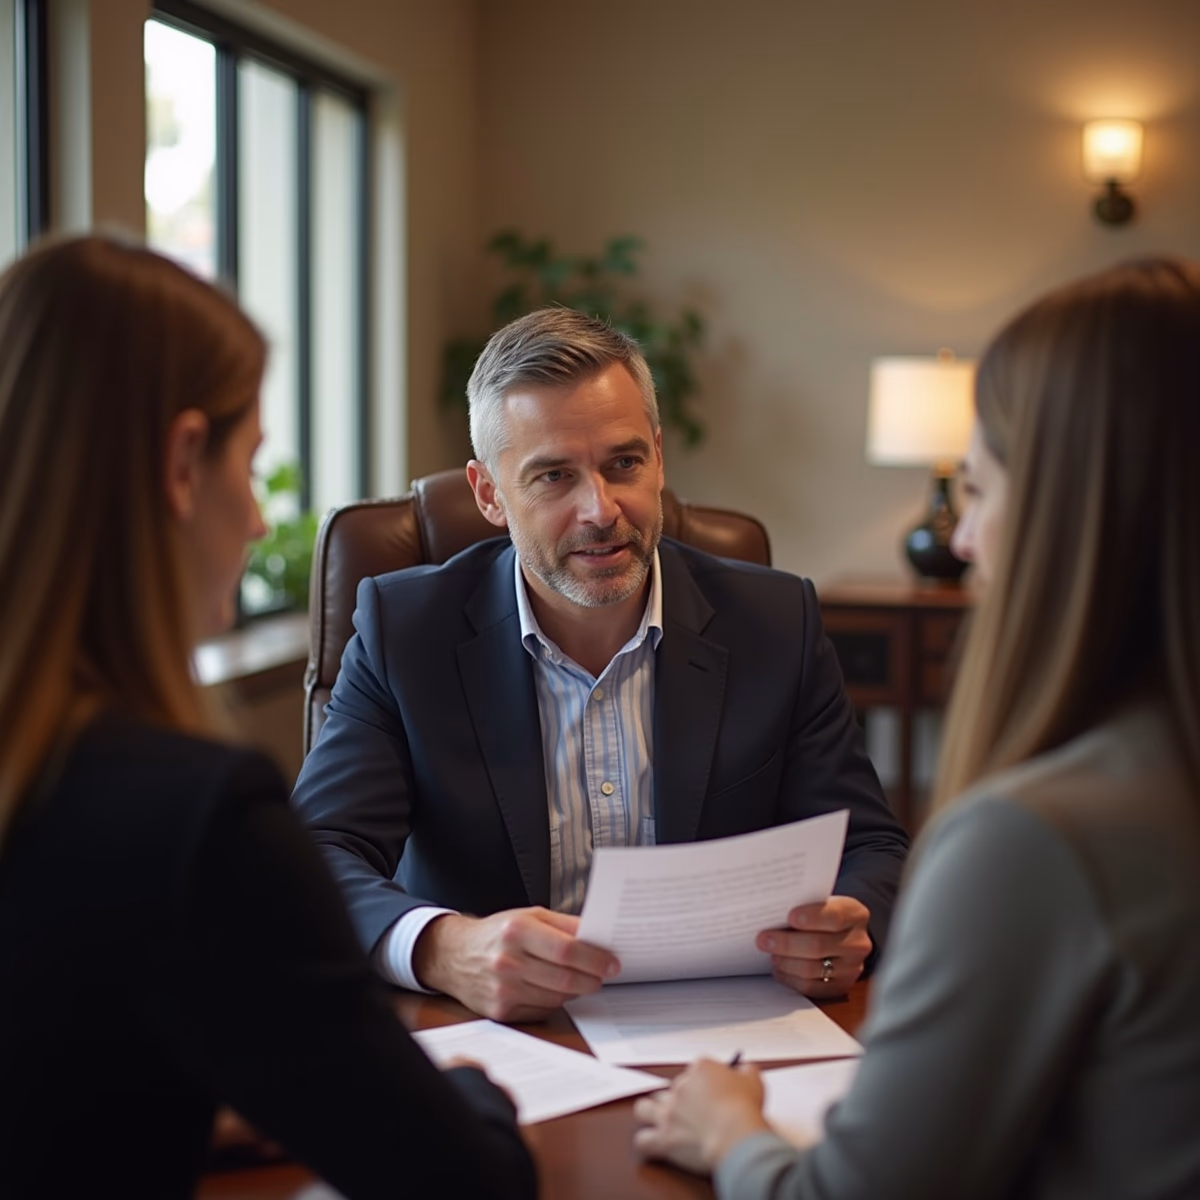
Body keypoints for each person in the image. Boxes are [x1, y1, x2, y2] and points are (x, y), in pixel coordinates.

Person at [631, 257, 1200, 1198]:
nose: (964, 538)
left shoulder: (1033, 839)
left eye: (978, 489)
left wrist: (730, 1132)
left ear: (1069, 512)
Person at [0, 236, 536, 1200]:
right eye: (249, 466)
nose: (255, 520)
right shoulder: (192, 819)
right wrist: (471, 1091)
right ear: (181, 464)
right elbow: (468, 1182)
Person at [293, 306, 909, 1022]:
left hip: (723, 1031)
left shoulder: (776, 623)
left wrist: (848, 924)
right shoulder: (406, 633)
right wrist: (442, 948)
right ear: (489, 494)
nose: (600, 509)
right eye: (554, 476)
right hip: (495, 1036)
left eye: (624, 464)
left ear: (658, 457)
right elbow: (314, 856)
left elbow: (871, 846)